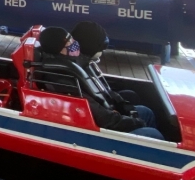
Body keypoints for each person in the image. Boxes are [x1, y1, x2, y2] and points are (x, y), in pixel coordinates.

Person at [36, 26, 165, 140]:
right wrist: (135, 122)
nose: (74, 43)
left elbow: (101, 93)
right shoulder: (61, 77)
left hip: (107, 113)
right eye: (69, 41)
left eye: (71, 38)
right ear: (59, 49)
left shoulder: (73, 63)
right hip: (101, 131)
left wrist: (122, 106)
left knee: (146, 112)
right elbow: (100, 117)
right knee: (153, 133)